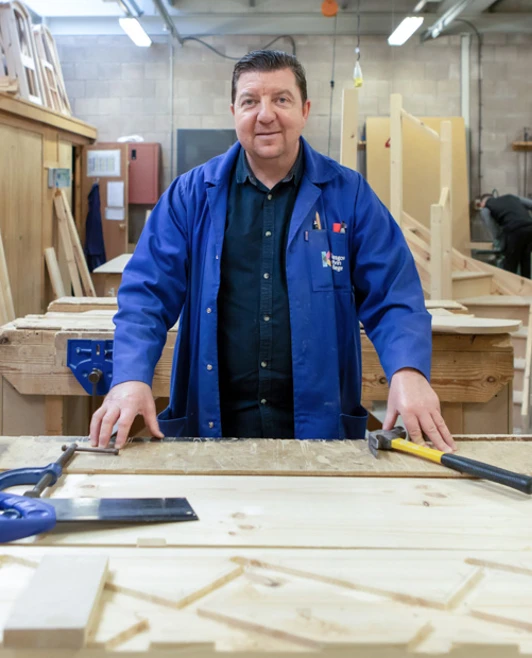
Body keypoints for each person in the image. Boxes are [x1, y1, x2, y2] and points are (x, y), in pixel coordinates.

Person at [90, 50, 456, 453]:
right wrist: (129, 377)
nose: (265, 114)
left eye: (281, 99)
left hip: (320, 432)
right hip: (214, 427)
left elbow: (394, 294)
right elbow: (146, 295)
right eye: (250, 101)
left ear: (305, 110)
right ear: (234, 112)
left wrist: (408, 372)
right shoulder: (190, 195)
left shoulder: (348, 196)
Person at [479, 193, 532, 277]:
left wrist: (499, 240)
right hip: (530, 227)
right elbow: (530, 204)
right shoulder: (511, 197)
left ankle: (509, 288)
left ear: (482, 203)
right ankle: (528, 287)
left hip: (515, 231)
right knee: (525, 260)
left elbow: (492, 226)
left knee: (510, 264)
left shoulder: (486, 208)